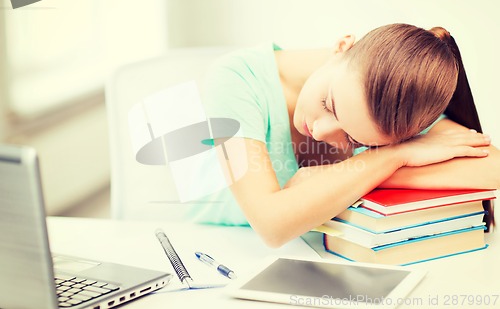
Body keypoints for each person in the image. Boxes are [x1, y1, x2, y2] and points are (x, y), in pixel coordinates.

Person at [189, 23, 499, 247]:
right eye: (329, 104)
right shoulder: (235, 80)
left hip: (323, 255)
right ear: (342, 47)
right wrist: (395, 156)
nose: (322, 130)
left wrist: (328, 175)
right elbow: (272, 225)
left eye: (355, 140)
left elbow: (493, 168)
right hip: (217, 245)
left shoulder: (395, 105)